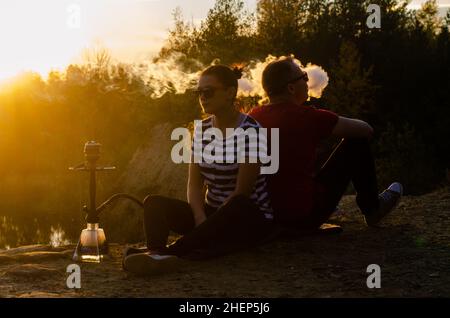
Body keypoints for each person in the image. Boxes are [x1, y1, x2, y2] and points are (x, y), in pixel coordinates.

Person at [123, 65, 275, 275]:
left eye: (209, 92)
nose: (203, 97)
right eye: (199, 93)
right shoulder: (201, 130)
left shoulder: (250, 131)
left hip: (247, 218)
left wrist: (206, 226)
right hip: (211, 215)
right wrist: (199, 217)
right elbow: (194, 186)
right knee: (154, 203)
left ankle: (170, 253)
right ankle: (157, 253)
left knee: (239, 203)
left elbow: (243, 192)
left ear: (230, 92)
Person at [248, 56, 403, 231]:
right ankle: (373, 208)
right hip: (303, 216)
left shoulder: (252, 116)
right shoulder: (308, 117)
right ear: (291, 88)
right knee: (356, 143)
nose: (308, 82)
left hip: (264, 217)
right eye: (304, 77)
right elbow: (366, 130)